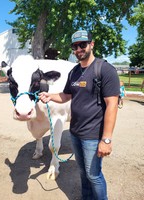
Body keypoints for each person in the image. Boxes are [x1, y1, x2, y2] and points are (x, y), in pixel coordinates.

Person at [39, 30, 120, 200]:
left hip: (93, 135)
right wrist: (50, 96)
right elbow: (66, 95)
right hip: (75, 133)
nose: (78, 49)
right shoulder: (74, 71)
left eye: (82, 44)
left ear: (91, 44)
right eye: (75, 46)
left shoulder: (105, 69)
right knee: (83, 172)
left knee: (94, 175)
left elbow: (112, 104)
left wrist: (106, 139)